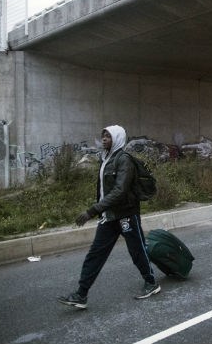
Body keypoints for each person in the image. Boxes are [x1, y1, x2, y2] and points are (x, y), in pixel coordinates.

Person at [58, 125, 160, 309]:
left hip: (126, 215)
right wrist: (100, 211)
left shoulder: (124, 160)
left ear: (118, 139)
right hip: (109, 216)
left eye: (108, 136)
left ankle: (151, 282)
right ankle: (81, 294)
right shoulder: (106, 159)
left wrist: (92, 210)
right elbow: (104, 190)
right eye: (103, 135)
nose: (104, 138)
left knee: (137, 251)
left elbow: (120, 191)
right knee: (95, 255)